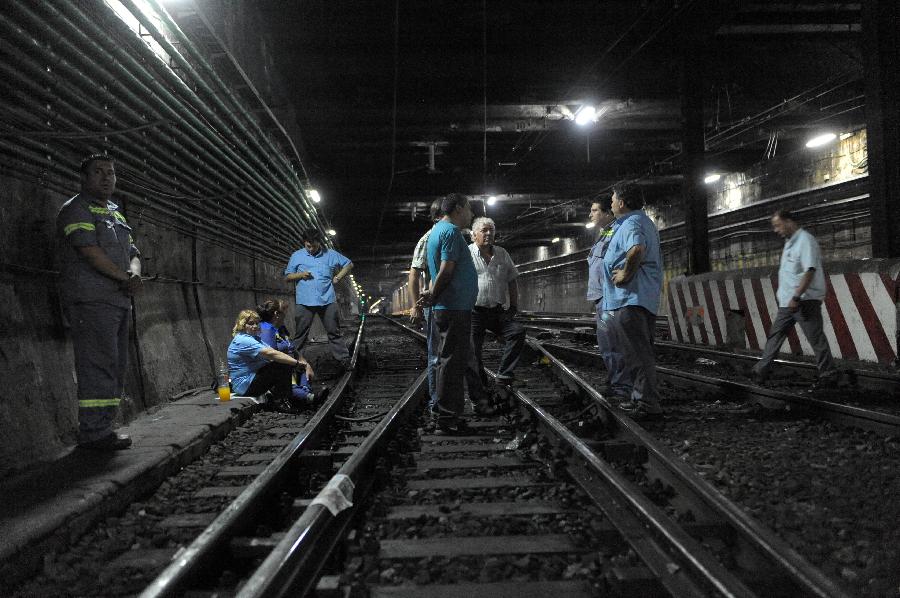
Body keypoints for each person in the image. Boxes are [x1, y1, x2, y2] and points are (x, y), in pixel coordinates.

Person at [57, 154, 142, 450]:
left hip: (117, 301)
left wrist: (133, 274)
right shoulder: (76, 209)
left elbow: (134, 252)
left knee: (115, 365)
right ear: (84, 177)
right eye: (99, 172)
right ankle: (94, 432)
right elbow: (89, 251)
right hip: (91, 301)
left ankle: (103, 427)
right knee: (97, 364)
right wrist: (124, 277)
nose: (107, 178)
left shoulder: (116, 213)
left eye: (111, 172)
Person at [751, 210, 838, 385]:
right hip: (788, 302)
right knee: (775, 336)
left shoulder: (805, 241)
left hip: (804, 300)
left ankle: (829, 375)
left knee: (815, 338)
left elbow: (809, 270)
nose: (776, 230)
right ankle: (760, 371)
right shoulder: (789, 243)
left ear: (789, 221)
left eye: (778, 225)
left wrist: (797, 296)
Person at [417, 193, 478, 434]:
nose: (471, 215)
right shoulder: (451, 232)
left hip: (448, 306)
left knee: (446, 360)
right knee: (452, 363)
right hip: (453, 306)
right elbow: (446, 269)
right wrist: (433, 294)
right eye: (469, 209)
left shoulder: (435, 232)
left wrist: (433, 294)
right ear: (459, 208)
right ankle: (447, 417)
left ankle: (447, 413)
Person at [602, 183, 664, 418]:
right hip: (633, 298)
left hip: (631, 298)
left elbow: (636, 250)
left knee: (638, 354)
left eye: (613, 199)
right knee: (636, 353)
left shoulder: (633, 223)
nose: (611, 203)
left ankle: (647, 403)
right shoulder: (636, 222)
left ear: (622, 202)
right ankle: (640, 398)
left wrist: (625, 274)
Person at [468, 217, 525, 387]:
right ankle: (482, 387)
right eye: (484, 230)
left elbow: (512, 280)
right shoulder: (467, 254)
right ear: (473, 235)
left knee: (517, 331)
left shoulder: (502, 253)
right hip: (474, 312)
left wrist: (513, 306)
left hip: (497, 312)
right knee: (474, 351)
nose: (488, 233)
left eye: (491, 230)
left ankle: (504, 374)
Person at [284, 230, 353, 368]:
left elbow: (349, 264)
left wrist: (338, 277)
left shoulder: (331, 254)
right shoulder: (297, 256)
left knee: (334, 332)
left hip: (327, 300)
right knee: (300, 335)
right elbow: (287, 276)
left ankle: (344, 360)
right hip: (304, 302)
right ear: (304, 243)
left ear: (319, 243)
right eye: (308, 246)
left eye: (313, 246)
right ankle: (295, 363)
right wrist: (301, 275)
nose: (310, 249)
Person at [586, 197, 632, 400]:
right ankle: (617, 380)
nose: (591, 214)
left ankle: (622, 387)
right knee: (607, 344)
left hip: (609, 297)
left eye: (595, 210)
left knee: (612, 344)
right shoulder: (605, 233)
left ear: (607, 213)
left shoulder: (617, 230)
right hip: (601, 296)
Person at [228, 309, 315, 412]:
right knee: (281, 364)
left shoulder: (254, 338)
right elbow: (271, 354)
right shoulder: (243, 340)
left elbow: (272, 351)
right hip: (245, 385)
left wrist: (296, 363)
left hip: (250, 380)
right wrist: (296, 363)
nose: (255, 326)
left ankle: (295, 396)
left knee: (284, 362)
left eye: (256, 323)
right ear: (242, 325)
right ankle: (281, 402)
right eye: (251, 324)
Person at [408, 199, 444, 409]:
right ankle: (435, 402)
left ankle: (444, 399)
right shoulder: (428, 239)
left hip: (452, 303)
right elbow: (414, 274)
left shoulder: (455, 236)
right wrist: (416, 306)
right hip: (436, 304)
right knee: (435, 355)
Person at [256, 300, 321, 404]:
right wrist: (293, 364)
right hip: (276, 372)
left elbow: (291, 347)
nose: (285, 315)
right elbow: (271, 358)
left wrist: (305, 363)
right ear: (277, 314)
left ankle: (304, 393)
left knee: (303, 368)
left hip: (289, 368)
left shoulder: (280, 328)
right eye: (284, 312)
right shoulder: (266, 330)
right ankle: (305, 396)